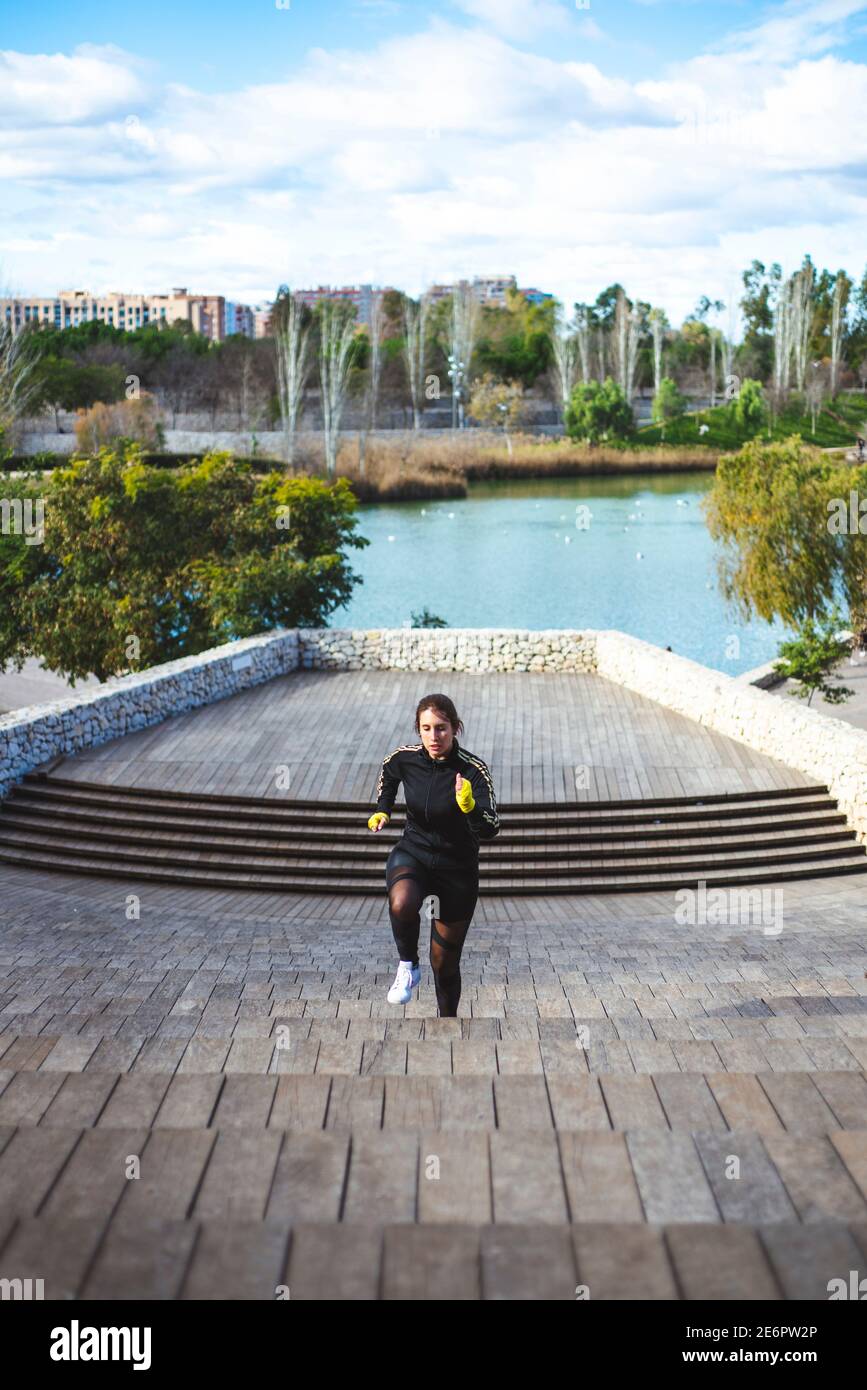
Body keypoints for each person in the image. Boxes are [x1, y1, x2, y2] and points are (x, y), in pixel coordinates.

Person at [367, 693, 499, 1015]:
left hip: (457, 869)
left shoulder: (473, 770)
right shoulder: (406, 758)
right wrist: (383, 809)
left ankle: (448, 1021)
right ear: (418, 729)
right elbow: (389, 772)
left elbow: (492, 826)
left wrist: (469, 808)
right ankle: (408, 966)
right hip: (414, 852)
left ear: (455, 728)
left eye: (441, 728)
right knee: (402, 901)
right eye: (426, 728)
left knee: (444, 964)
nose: (433, 737)